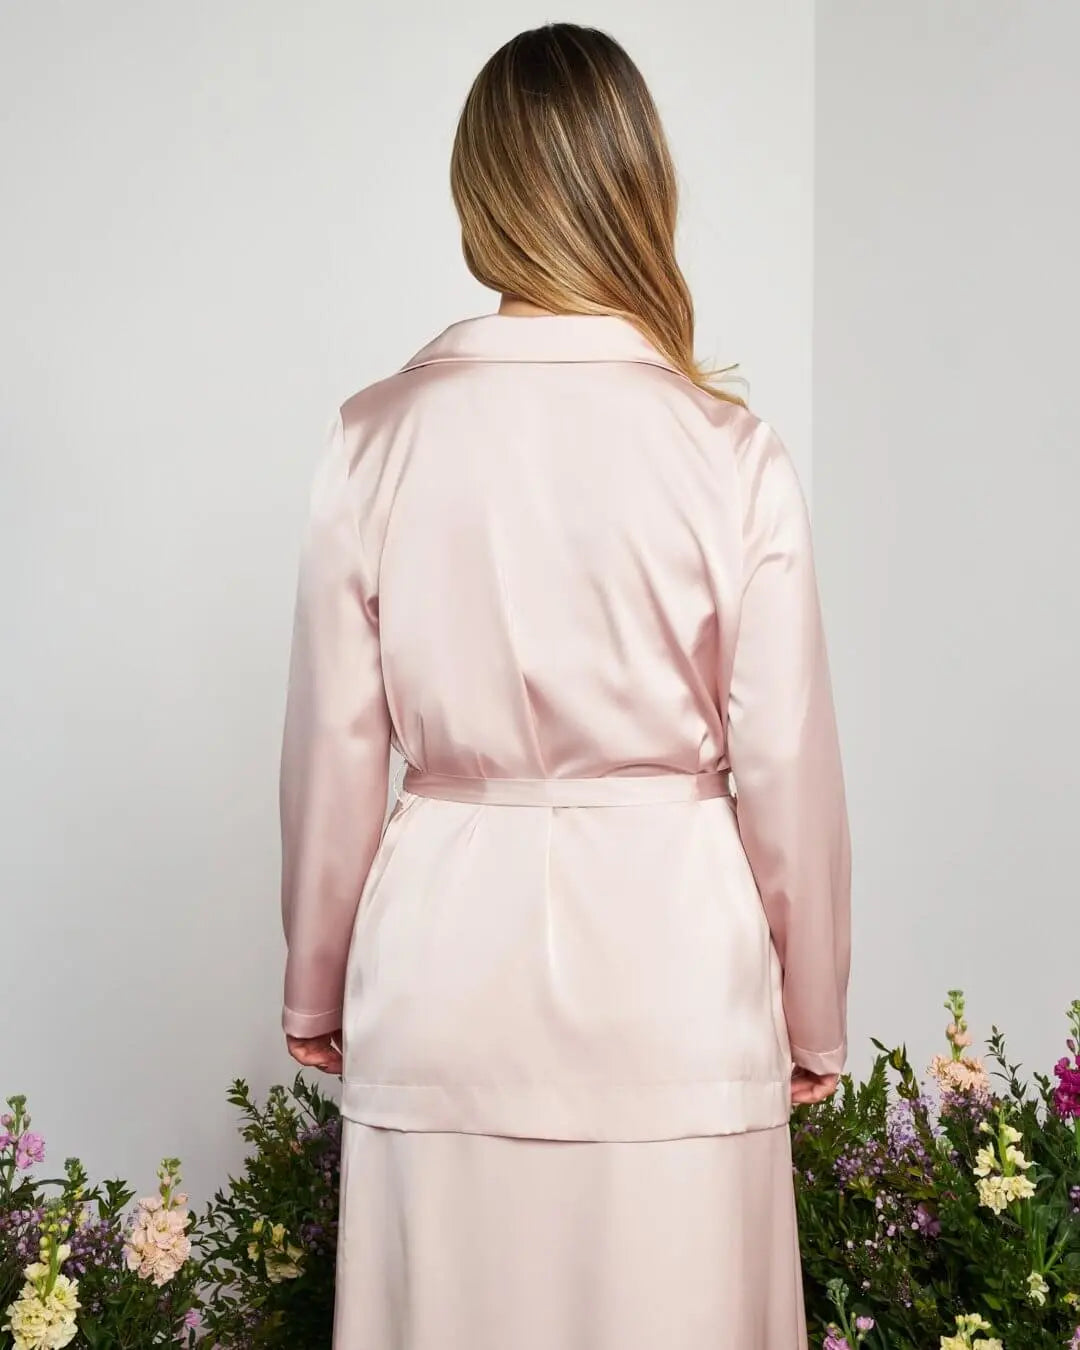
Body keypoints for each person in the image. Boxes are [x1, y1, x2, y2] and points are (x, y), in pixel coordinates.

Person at [278, 21, 851, 1350]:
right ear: (638, 187)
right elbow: (785, 765)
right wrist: (813, 1012)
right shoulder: (730, 454)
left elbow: (335, 750)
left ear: (477, 195)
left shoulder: (373, 440)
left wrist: (315, 984)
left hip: (440, 974)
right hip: (675, 980)